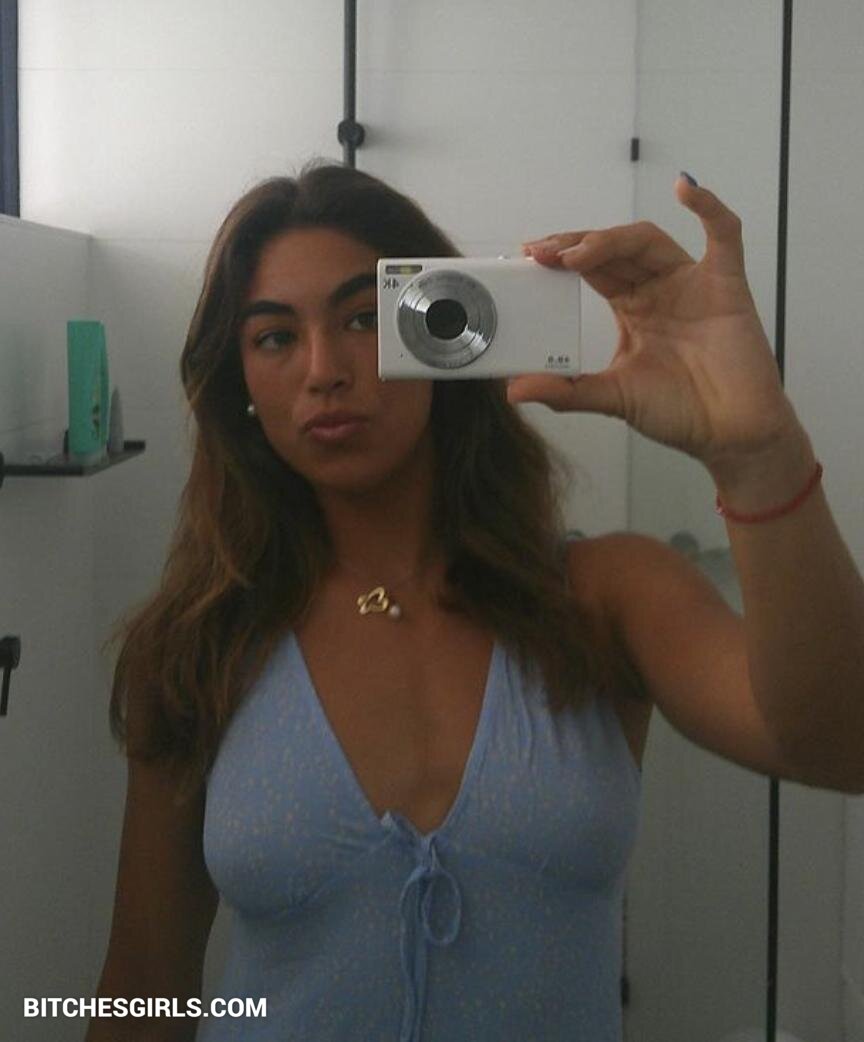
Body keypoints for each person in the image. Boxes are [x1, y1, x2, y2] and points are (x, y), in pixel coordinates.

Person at [86, 159, 864, 1042]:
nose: (324, 370)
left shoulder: (606, 597)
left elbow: (846, 748)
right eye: (273, 337)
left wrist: (757, 451)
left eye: (365, 319)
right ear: (241, 386)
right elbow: (142, 990)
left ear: (452, 331)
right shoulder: (198, 646)